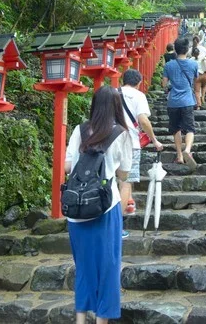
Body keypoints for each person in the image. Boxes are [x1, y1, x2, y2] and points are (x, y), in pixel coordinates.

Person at [64, 87, 133, 324]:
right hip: (105, 206)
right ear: (116, 106)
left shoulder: (79, 130)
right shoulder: (121, 133)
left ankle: (81, 320)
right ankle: (102, 321)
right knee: (108, 267)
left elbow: (66, 167)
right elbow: (124, 172)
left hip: (76, 210)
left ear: (94, 105)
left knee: (83, 267)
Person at [118, 69, 163, 238]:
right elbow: (143, 120)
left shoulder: (112, 94)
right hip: (130, 142)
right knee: (126, 182)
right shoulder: (138, 96)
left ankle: (126, 204)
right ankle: (117, 225)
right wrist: (154, 140)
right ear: (138, 83)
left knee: (113, 181)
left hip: (109, 142)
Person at [162, 37, 198, 170]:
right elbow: (195, 80)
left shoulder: (168, 65)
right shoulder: (193, 64)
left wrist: (169, 85)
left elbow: (164, 84)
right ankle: (187, 150)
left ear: (175, 50)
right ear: (187, 49)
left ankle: (179, 155)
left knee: (176, 128)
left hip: (173, 102)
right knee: (190, 129)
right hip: (188, 100)